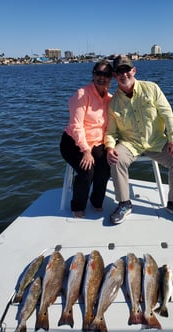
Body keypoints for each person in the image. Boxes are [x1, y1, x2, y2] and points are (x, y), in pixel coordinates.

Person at [105, 55, 173, 225]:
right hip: (130, 143)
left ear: (134, 71)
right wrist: (109, 147)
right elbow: (110, 131)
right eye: (119, 72)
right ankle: (124, 203)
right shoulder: (113, 102)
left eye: (126, 70)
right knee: (116, 159)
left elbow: (167, 115)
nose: (124, 75)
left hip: (156, 141)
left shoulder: (152, 88)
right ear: (115, 76)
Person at [60, 60, 112, 218]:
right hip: (73, 142)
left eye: (106, 74)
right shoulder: (82, 94)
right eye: (98, 73)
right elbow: (76, 126)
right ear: (93, 74)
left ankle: (97, 201)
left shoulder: (109, 98)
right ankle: (78, 205)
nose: (101, 77)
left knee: (105, 167)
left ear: (111, 78)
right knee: (87, 170)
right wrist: (86, 151)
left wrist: (110, 146)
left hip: (97, 142)